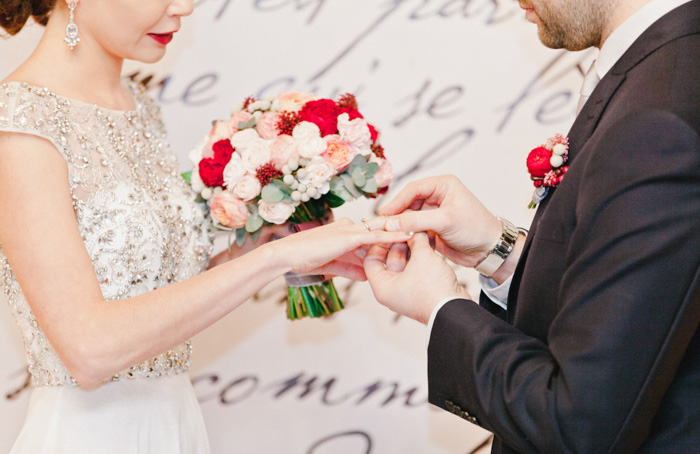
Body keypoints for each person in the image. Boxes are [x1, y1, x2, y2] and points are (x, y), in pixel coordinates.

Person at [0, 1, 410, 452]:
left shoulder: (139, 103)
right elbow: (89, 351)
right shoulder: (18, 127)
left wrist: (252, 250)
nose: (185, 7)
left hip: (176, 424)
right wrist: (280, 257)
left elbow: (154, 298)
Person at [363, 0, 700, 452]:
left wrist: (440, 305)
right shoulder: (664, 68)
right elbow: (644, 311)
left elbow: (577, 425)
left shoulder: (661, 118)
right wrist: (500, 252)